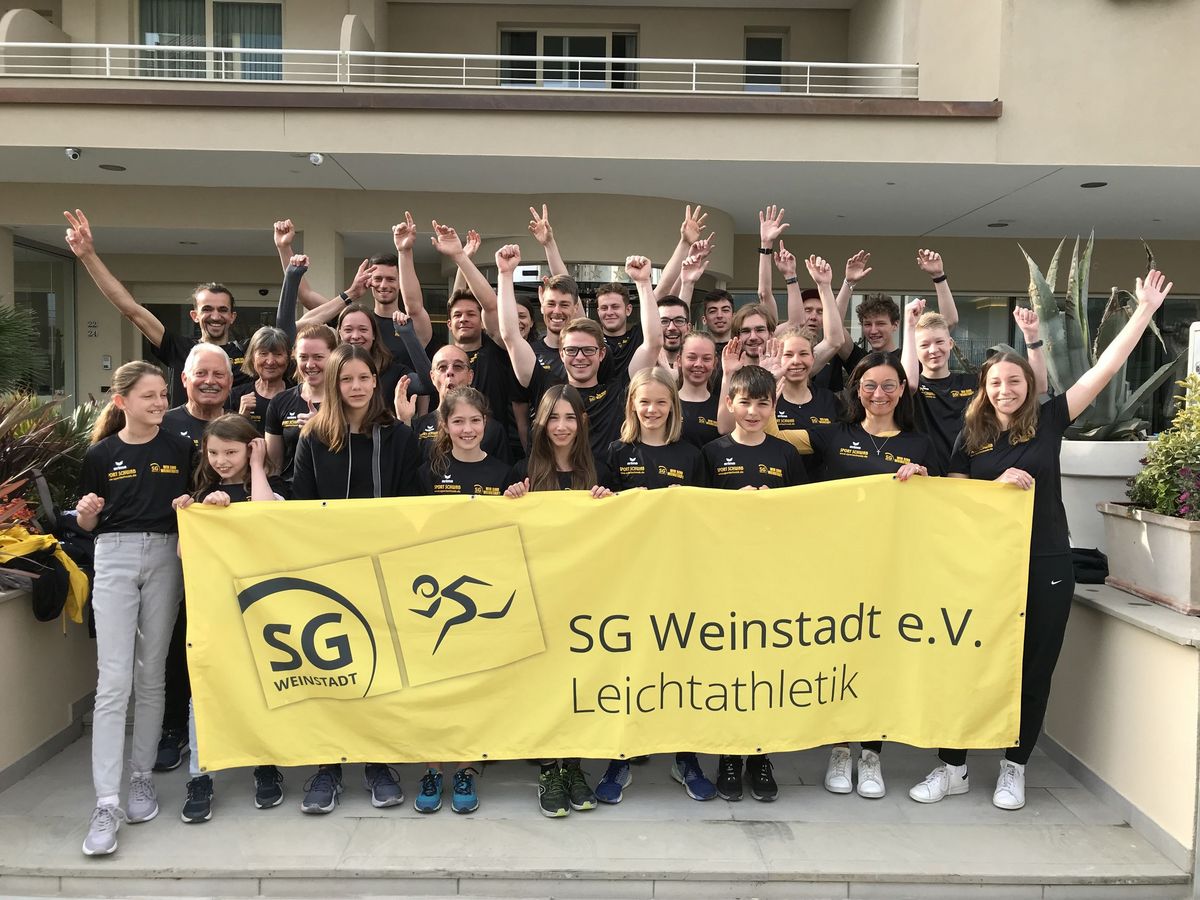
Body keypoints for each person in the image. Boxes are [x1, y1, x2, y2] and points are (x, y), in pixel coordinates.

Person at [909, 269, 1174, 811]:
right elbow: (955, 498)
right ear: (984, 389)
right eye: (995, 383)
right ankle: (953, 767)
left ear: (1029, 385)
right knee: (968, 663)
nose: (1005, 390)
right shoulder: (971, 435)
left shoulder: (1050, 420)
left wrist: (1145, 312)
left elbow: (1104, 369)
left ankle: (1014, 767)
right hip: (984, 566)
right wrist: (979, 486)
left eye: (1015, 381)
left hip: (1045, 559)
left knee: (1033, 667)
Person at [764, 351, 937, 798]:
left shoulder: (921, 445)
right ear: (856, 390)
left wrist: (924, 480)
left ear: (902, 390)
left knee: (878, 656)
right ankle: (840, 750)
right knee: (838, 653)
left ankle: (871, 754)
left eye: (889, 385)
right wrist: (773, 380)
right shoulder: (833, 434)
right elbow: (772, 436)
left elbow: (942, 503)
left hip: (890, 567)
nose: (879, 394)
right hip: (836, 564)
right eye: (869, 385)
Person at [291, 344, 422, 813]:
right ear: (332, 383)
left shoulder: (399, 437)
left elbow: (413, 505)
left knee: (381, 670)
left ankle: (377, 762)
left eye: (364, 377)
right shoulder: (312, 437)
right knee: (331, 670)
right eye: (346, 379)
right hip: (330, 574)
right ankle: (328, 765)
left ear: (375, 381)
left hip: (384, 572)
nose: (357, 386)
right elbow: (301, 507)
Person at [76, 361, 196, 856]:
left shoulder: (181, 448)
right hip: (115, 556)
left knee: (151, 675)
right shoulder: (100, 454)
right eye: (149, 395)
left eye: (163, 394)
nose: (160, 402)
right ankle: (106, 801)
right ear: (122, 401)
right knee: (113, 681)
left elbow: (197, 502)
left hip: (167, 556)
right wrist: (86, 516)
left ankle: (141, 777)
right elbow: (87, 523)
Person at [595, 367, 715, 804]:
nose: (652, 409)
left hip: (681, 577)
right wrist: (603, 503)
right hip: (631, 579)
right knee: (632, 669)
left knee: (682, 669)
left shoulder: (691, 455)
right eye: (644, 401)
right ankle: (621, 759)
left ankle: (686, 759)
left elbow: (707, 515)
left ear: (673, 406)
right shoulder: (615, 452)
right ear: (632, 405)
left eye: (661, 402)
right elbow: (601, 520)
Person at [504, 385, 613, 817]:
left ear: (582, 422)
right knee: (544, 684)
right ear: (541, 422)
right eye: (554, 417)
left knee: (579, 683)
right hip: (539, 596)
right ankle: (549, 769)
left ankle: (575, 767)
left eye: (570, 417)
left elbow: (623, 530)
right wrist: (510, 503)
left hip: (586, 598)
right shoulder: (522, 470)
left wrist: (613, 506)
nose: (562, 426)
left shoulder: (600, 469)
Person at [701, 365, 807, 803]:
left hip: (771, 578)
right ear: (729, 403)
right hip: (724, 577)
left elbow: (804, 513)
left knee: (766, 668)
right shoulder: (711, 452)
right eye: (744, 402)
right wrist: (732, 506)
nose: (753, 411)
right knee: (728, 668)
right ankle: (729, 755)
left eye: (763, 403)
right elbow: (696, 515)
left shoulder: (787, 454)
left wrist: (773, 508)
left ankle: (761, 756)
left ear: (773, 406)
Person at [171, 416, 282, 823]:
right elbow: (183, 553)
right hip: (213, 612)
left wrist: (256, 467)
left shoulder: (270, 487)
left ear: (251, 448)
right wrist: (197, 511)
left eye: (231, 451)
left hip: (261, 611)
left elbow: (267, 518)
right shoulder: (199, 495)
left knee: (262, 687)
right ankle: (200, 775)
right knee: (205, 691)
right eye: (214, 452)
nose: (221, 460)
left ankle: (265, 764)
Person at [64, 210, 278, 405]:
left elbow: (288, 328)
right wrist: (88, 256)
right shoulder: (180, 348)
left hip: (234, 434)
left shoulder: (248, 352)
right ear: (194, 315)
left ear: (232, 317)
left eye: (222, 310)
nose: (215, 316)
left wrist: (285, 253)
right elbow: (130, 309)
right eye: (207, 309)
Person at [496, 246, 663, 461]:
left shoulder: (617, 391)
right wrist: (505, 274)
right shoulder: (545, 386)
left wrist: (643, 282)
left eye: (588, 350)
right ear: (561, 354)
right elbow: (510, 336)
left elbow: (653, 343)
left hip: (603, 482)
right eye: (572, 350)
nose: (580, 357)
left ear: (601, 354)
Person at [154, 344, 234, 774]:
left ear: (230, 381)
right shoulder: (164, 425)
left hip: (229, 560)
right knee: (178, 642)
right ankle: (174, 729)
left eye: (219, 374)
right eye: (201, 373)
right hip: (174, 551)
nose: (210, 381)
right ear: (183, 379)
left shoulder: (239, 426)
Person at [901, 293, 1047, 474]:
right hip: (925, 478)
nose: (933, 350)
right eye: (924, 345)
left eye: (939, 342)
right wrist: (909, 326)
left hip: (969, 479)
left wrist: (1032, 339)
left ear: (950, 343)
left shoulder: (973, 383)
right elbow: (909, 384)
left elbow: (1039, 386)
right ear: (915, 349)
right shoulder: (913, 389)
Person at [399, 345, 509, 464]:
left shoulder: (493, 429)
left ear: (470, 376)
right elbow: (405, 468)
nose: (450, 372)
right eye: (442, 367)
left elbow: (502, 472)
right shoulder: (416, 427)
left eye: (458, 367)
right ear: (432, 377)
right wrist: (404, 421)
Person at [264, 323, 338, 496]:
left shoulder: (347, 400)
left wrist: (323, 428)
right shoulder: (280, 402)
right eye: (303, 357)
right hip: (292, 498)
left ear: (334, 356)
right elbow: (273, 467)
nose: (310, 364)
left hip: (335, 497)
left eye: (318, 357)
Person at [417, 387, 512, 498]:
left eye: (475, 420)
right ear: (445, 426)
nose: (467, 429)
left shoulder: (504, 474)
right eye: (458, 421)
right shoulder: (430, 473)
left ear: (484, 422)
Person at [227, 326, 291, 435]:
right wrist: (242, 417)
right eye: (263, 354)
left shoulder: (299, 396)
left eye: (278, 354)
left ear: (288, 358)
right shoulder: (235, 396)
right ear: (252, 357)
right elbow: (225, 440)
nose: (270, 361)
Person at [677, 332, 721, 449]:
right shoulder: (666, 404)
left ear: (715, 363)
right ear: (679, 360)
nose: (698, 364)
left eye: (706, 359)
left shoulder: (722, 409)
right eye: (691, 357)